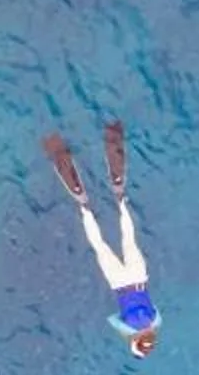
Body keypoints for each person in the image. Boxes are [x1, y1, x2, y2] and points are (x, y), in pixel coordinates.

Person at [43, 122, 159, 357]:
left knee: (129, 237)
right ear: (135, 342)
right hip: (120, 285)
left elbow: (153, 314)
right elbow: (113, 319)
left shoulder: (155, 321)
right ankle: (85, 207)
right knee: (100, 245)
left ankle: (120, 200)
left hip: (139, 278)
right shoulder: (128, 328)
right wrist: (130, 334)